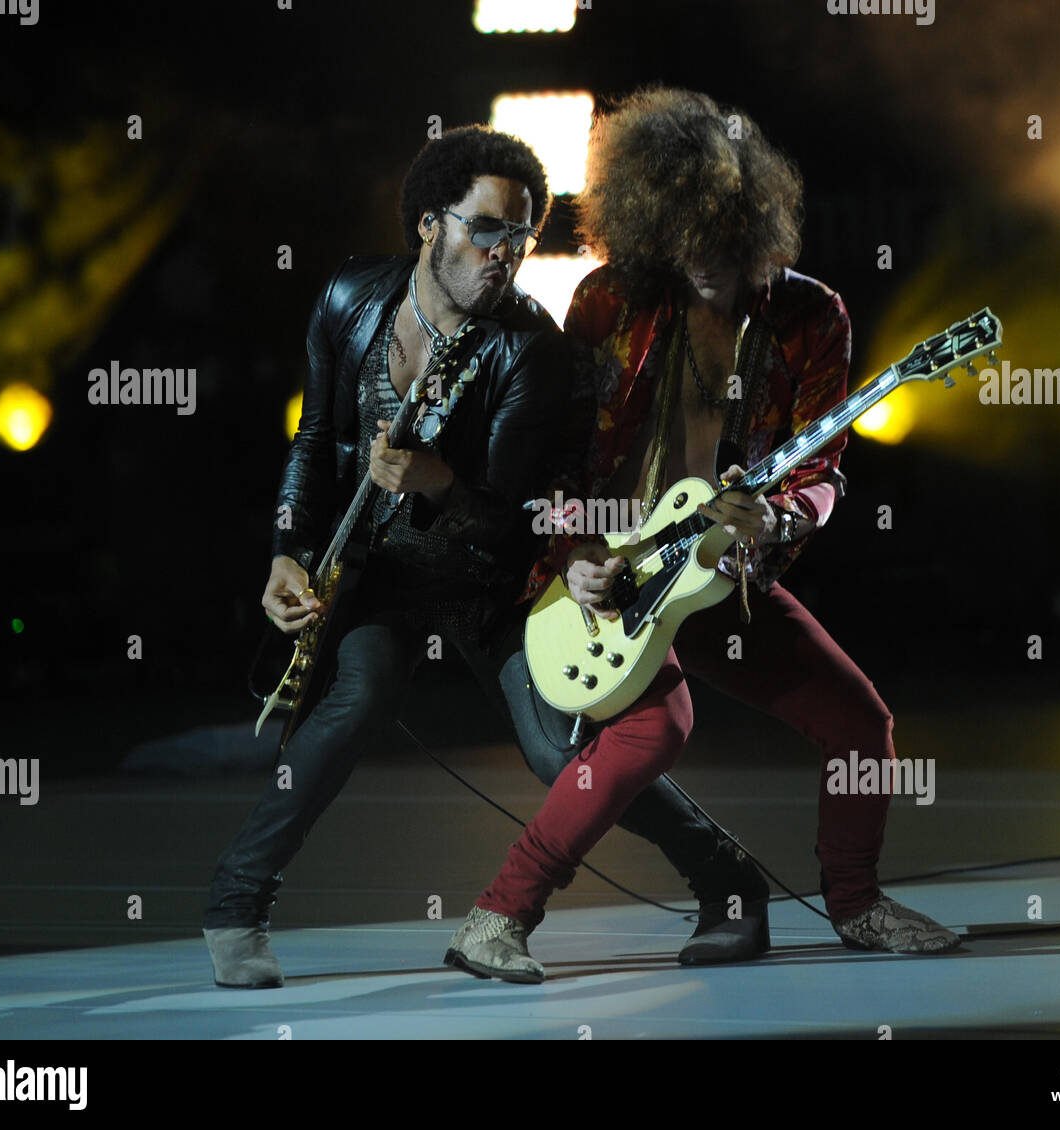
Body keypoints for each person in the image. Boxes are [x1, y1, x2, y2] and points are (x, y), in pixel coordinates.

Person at [202, 124, 771, 989]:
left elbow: (511, 521)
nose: (504, 253)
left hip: (493, 584)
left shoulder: (527, 348)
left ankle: (730, 884)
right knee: (355, 698)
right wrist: (288, 549)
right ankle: (235, 907)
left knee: (561, 753)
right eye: (486, 228)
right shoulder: (349, 298)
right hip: (384, 575)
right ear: (430, 224)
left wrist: (435, 481)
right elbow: (315, 437)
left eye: (522, 237)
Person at [445, 88, 960, 984]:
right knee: (652, 732)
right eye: (683, 240)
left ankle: (857, 903)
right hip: (617, 568)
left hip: (722, 569)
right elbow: (561, 460)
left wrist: (780, 520)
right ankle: (498, 918)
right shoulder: (608, 301)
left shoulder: (812, 317)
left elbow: (821, 468)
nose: (705, 260)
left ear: (755, 225)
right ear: (650, 230)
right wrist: (576, 559)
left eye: (722, 238)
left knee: (861, 723)